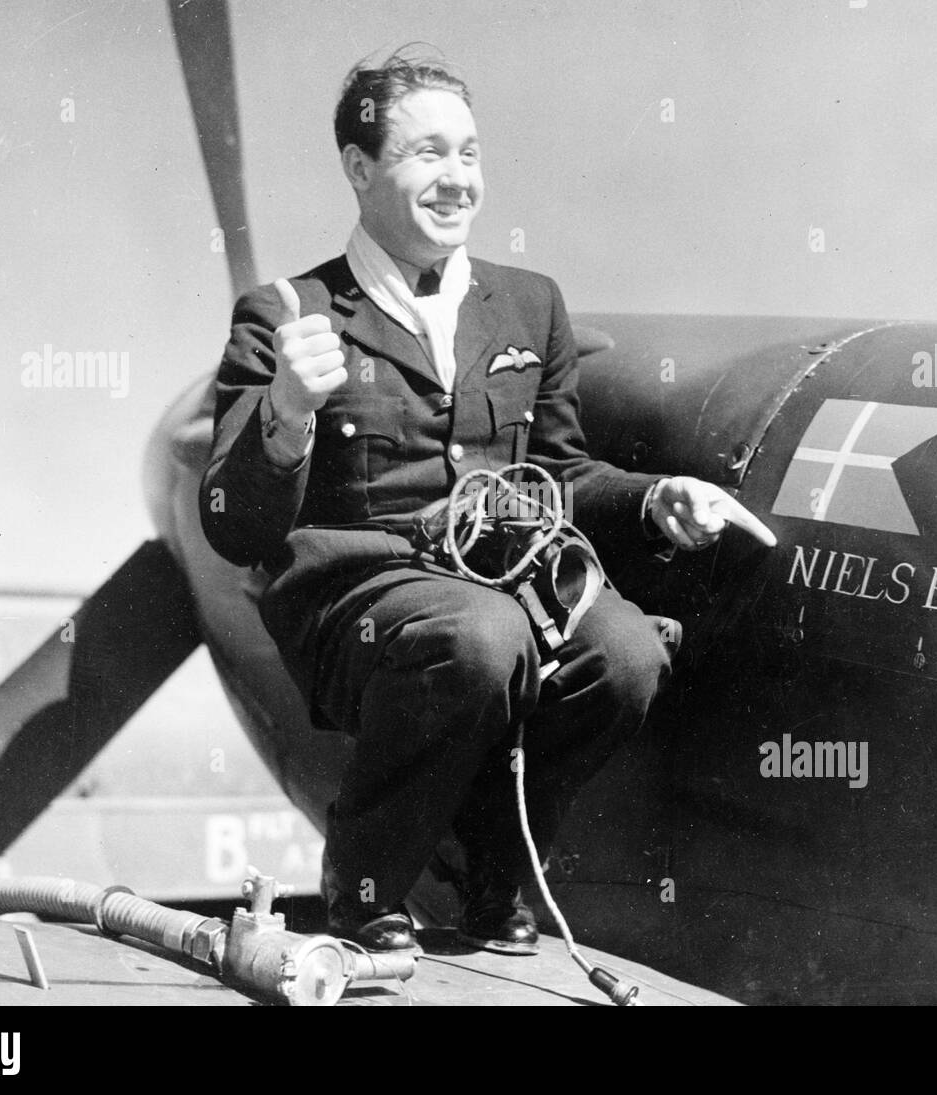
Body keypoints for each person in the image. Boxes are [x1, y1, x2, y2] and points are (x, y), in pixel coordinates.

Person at [199, 49, 776, 956]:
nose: (458, 179)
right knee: (481, 636)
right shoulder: (287, 312)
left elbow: (564, 475)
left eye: (469, 153)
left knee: (624, 655)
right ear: (359, 169)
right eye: (428, 154)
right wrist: (283, 413)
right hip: (358, 600)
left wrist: (657, 495)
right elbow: (234, 524)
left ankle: (487, 874)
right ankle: (365, 882)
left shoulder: (529, 306)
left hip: (504, 581)